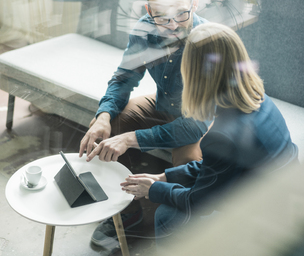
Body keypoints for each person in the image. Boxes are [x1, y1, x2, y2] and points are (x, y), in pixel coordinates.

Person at [121, 22, 299, 243]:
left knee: (166, 215)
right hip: (284, 191)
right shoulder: (258, 97)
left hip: (263, 214)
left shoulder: (221, 135)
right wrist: (165, 176)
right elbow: (216, 167)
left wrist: (154, 189)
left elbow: (197, 202)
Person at [79, 0, 210, 247]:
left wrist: (130, 139)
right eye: (162, 17)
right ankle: (127, 211)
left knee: (188, 164)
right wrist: (103, 116)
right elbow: (124, 78)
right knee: (113, 121)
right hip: (162, 103)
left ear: (195, 4)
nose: (173, 25)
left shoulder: (207, 41)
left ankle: (181, 231)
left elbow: (194, 124)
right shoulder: (143, 29)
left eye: (182, 14)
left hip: (200, 120)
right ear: (149, 10)